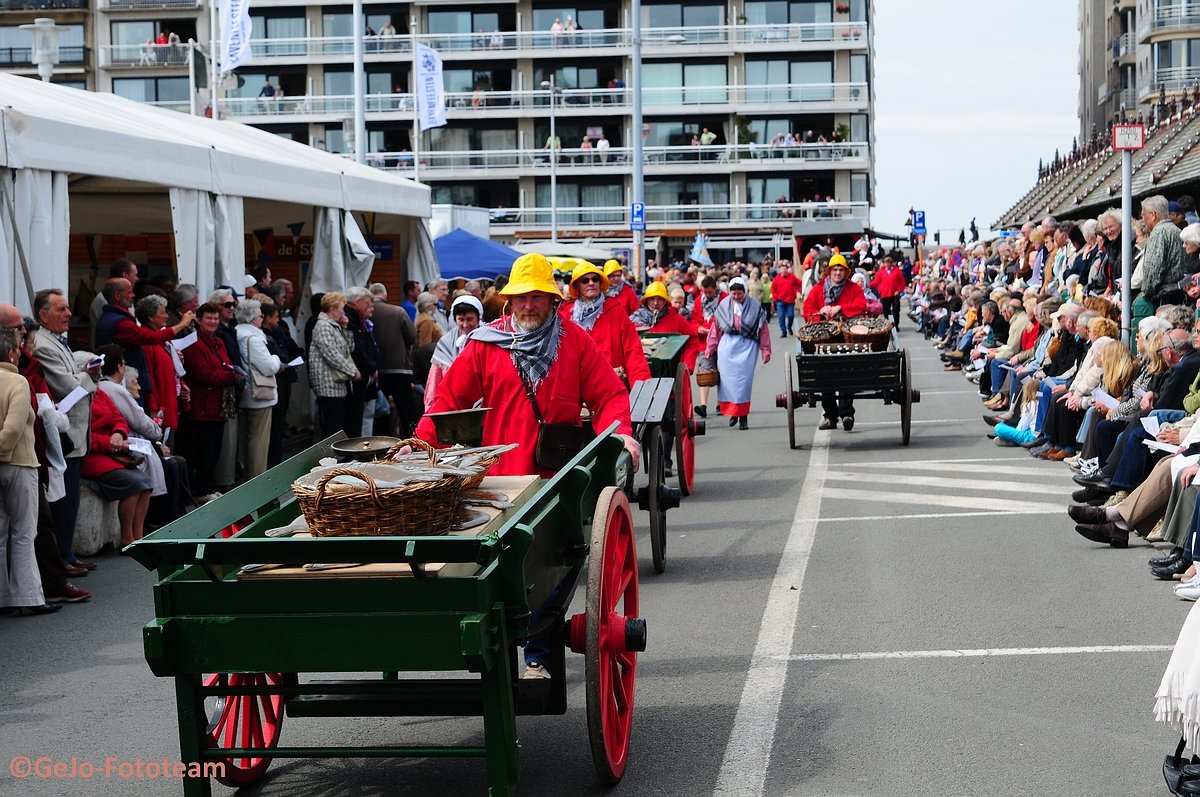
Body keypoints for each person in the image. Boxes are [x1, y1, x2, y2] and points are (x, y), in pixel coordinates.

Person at [32, 289, 100, 572]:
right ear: (43, 315)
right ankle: (61, 557)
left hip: (75, 431)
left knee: (70, 498)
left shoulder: (56, 340)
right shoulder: (43, 344)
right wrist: (88, 373)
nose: (69, 314)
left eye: (68, 309)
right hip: (64, 434)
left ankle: (67, 553)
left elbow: (74, 379)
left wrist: (82, 373)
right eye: (61, 310)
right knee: (64, 499)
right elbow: (70, 386)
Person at [0, 327, 58, 615]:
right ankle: (28, 597)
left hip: (6, 462)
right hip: (19, 463)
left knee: (0, 535)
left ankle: (2, 596)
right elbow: (12, 428)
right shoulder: (18, 381)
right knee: (24, 533)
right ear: (13, 353)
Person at [79, 350, 153, 549]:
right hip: (93, 455)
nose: (97, 372)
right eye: (93, 368)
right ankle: (127, 539)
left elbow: (117, 418)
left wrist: (118, 433)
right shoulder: (80, 395)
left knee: (145, 483)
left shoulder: (99, 392)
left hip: (111, 450)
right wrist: (110, 442)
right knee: (133, 483)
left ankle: (138, 536)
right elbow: (82, 435)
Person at [802, 254, 867, 430]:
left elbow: (862, 306)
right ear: (829, 271)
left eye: (841, 270)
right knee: (826, 375)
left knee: (847, 373)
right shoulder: (818, 289)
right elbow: (807, 311)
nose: (838, 273)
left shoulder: (853, 288)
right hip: (824, 338)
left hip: (848, 337)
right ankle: (830, 416)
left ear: (846, 272)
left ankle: (846, 414)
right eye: (835, 269)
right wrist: (821, 312)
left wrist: (841, 309)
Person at [559, 262, 650, 387]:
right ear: (577, 287)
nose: (591, 283)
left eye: (595, 279)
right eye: (585, 280)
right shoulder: (565, 315)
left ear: (600, 283)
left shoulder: (615, 310)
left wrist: (642, 386)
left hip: (610, 385)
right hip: (575, 387)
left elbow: (633, 350)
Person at [705, 277, 771, 430]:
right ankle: (733, 413)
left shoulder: (755, 306)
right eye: (733, 294)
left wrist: (765, 350)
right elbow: (716, 329)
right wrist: (710, 348)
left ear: (745, 292)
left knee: (743, 383)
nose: (736, 297)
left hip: (747, 346)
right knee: (727, 382)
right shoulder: (723, 305)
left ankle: (743, 417)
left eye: (739, 294)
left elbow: (763, 329)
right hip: (727, 346)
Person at [234, 299, 283, 479]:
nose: (262, 318)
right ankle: (257, 476)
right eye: (260, 315)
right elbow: (269, 366)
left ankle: (250, 473)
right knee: (258, 439)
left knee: (247, 436)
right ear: (253, 318)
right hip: (258, 394)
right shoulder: (253, 338)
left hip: (248, 392)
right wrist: (276, 358)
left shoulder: (238, 333)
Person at [308, 292, 360, 440]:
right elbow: (332, 354)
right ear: (332, 309)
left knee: (336, 424)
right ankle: (328, 459)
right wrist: (353, 371)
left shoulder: (334, 326)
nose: (344, 312)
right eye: (342, 309)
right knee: (331, 426)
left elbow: (347, 350)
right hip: (328, 384)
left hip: (337, 384)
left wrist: (346, 328)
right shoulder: (323, 326)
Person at [371, 283, 419, 437]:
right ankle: (412, 439)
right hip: (399, 368)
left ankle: (383, 440)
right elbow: (411, 336)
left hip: (377, 370)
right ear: (385, 296)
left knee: (380, 408)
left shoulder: (367, 313)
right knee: (406, 409)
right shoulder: (398, 311)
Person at [425, 295, 484, 410]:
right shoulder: (446, 343)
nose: (465, 325)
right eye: (461, 320)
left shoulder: (489, 340)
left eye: (470, 319)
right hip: (453, 407)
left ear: (478, 317)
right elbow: (434, 382)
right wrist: (430, 410)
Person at [630, 282, 699, 372]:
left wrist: (687, 365)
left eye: (659, 299)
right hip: (638, 369)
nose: (655, 303)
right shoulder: (634, 320)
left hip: (669, 371)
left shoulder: (676, 319)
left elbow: (692, 340)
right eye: (652, 299)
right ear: (646, 300)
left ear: (665, 301)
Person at [870, 256, 906, 329]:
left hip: (894, 294)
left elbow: (902, 282)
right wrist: (868, 285)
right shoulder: (880, 272)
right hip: (884, 294)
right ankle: (888, 325)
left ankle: (896, 324)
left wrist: (899, 291)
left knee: (896, 310)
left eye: (889, 263)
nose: (887, 264)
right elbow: (876, 281)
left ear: (891, 263)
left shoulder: (897, 271)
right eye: (886, 263)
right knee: (886, 311)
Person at [771, 265, 803, 337]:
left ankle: (789, 326)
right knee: (781, 316)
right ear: (780, 271)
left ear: (787, 271)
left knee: (791, 315)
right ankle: (783, 331)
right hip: (780, 300)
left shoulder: (792, 277)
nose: (784, 272)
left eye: (785, 271)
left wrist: (797, 291)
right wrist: (776, 298)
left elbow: (799, 283)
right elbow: (773, 289)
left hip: (790, 300)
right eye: (782, 271)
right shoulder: (776, 279)